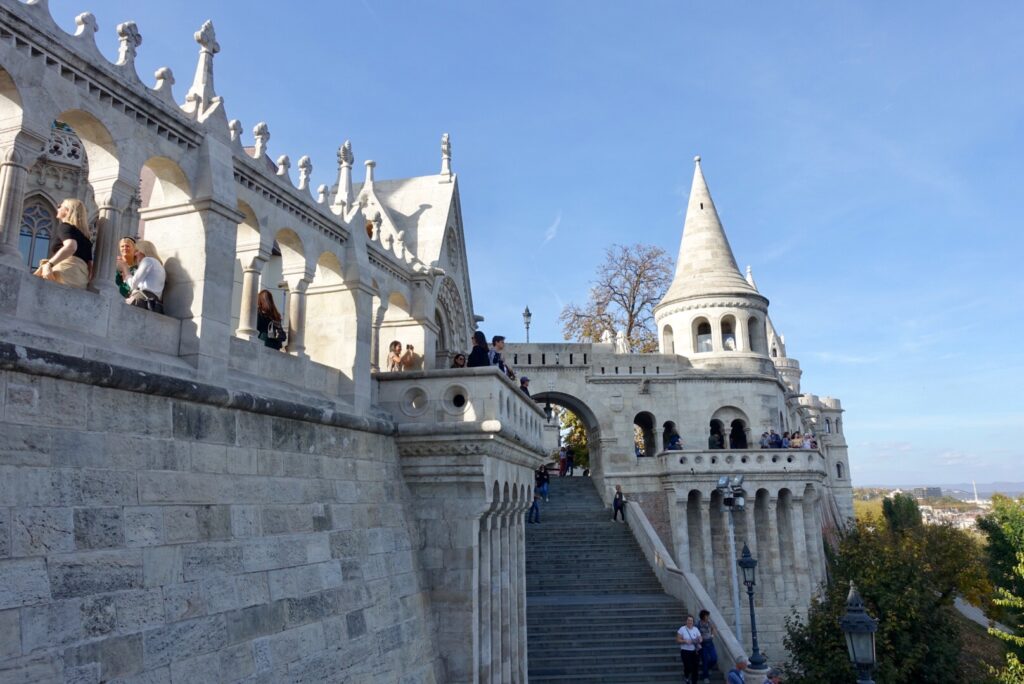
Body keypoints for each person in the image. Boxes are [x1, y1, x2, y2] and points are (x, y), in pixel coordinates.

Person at [33, 198, 92, 288]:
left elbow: (71, 246)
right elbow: (90, 265)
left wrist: (49, 264)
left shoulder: (65, 226)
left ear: (67, 211)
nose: (58, 208)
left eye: (60, 206)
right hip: (81, 280)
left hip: (64, 273)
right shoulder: (86, 238)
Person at [123, 240, 166, 313]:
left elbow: (133, 284)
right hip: (153, 304)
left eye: (136, 251)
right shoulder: (158, 266)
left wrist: (125, 270)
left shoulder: (147, 260)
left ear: (142, 250)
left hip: (141, 300)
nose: (135, 255)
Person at [676, 615, 702, 684]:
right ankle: (686, 676)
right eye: (688, 620)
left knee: (695, 668)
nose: (690, 622)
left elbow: (700, 638)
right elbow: (678, 640)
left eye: (691, 621)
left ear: (693, 622)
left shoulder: (696, 629)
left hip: (695, 651)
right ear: (686, 621)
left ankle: (694, 682)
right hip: (685, 651)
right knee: (688, 666)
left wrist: (698, 640)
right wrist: (685, 641)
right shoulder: (682, 629)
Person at [697, 609, 718, 683]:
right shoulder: (698, 624)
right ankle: (706, 677)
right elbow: (696, 633)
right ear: (703, 616)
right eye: (706, 616)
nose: (708, 617)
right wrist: (699, 638)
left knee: (714, 658)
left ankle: (709, 668)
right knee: (705, 660)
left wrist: (712, 635)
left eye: (708, 615)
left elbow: (714, 628)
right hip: (703, 644)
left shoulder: (709, 622)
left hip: (710, 643)